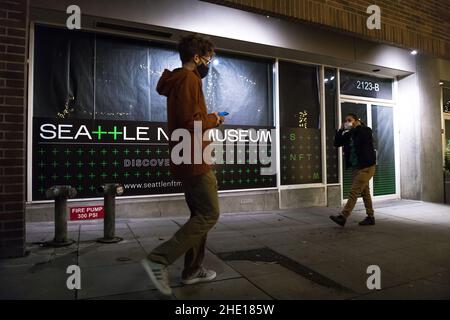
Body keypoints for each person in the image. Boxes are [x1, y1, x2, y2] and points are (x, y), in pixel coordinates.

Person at [141, 34, 224, 296]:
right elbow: (192, 122)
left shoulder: (177, 80)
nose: (209, 64)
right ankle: (159, 259)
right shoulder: (189, 79)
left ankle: (192, 270)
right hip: (193, 155)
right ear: (197, 58)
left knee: (198, 216)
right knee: (210, 214)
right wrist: (214, 119)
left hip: (185, 154)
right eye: (208, 59)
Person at [330, 113, 377, 227]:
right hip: (357, 168)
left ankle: (343, 216)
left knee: (354, 191)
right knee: (365, 193)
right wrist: (341, 130)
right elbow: (336, 143)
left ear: (356, 121)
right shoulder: (349, 134)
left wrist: (357, 126)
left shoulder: (365, 130)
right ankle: (370, 217)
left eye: (349, 120)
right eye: (346, 121)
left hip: (367, 167)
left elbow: (361, 136)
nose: (347, 122)